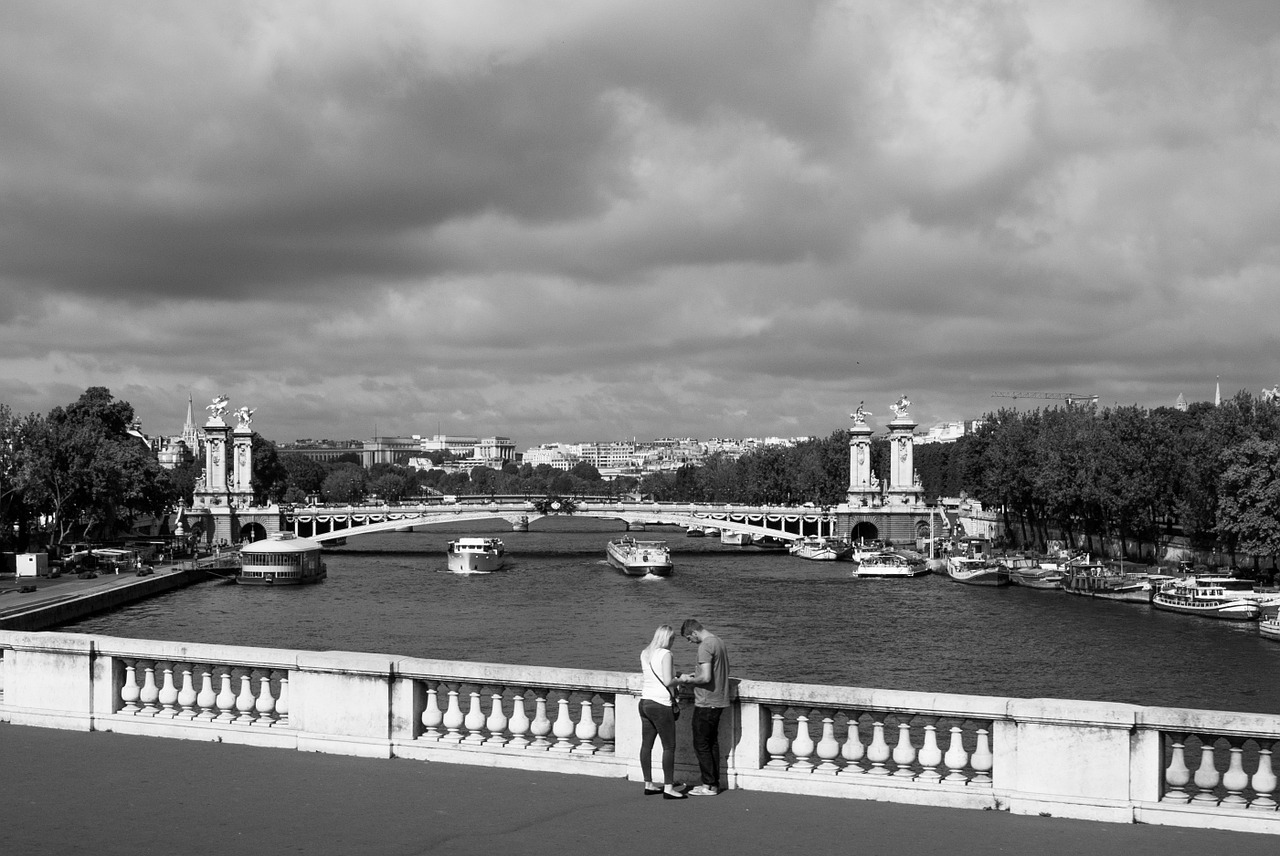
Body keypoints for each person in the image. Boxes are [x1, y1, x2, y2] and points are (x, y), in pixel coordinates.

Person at [675, 618, 730, 796]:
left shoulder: (705, 647)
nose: (690, 642)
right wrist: (696, 674)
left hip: (706, 701)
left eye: (688, 638)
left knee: (701, 744)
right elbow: (713, 672)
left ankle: (708, 784)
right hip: (719, 699)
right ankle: (713, 783)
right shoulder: (719, 642)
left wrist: (689, 680)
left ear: (694, 632)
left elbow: (706, 678)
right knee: (711, 742)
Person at [638, 625, 685, 800]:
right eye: (672, 639)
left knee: (646, 745)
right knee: (669, 746)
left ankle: (648, 783)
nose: (673, 643)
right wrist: (682, 679)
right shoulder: (666, 654)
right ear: (667, 639)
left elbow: (655, 675)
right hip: (660, 704)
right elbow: (668, 681)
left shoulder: (645, 653)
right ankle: (668, 787)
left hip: (645, 702)